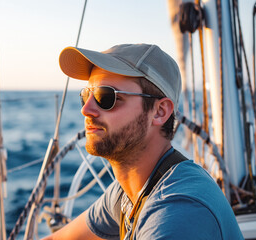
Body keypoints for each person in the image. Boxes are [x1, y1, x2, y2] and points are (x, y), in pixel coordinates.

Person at [43, 44, 244, 239]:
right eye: (86, 95)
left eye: (105, 97)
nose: (86, 109)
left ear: (160, 111)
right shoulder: (128, 192)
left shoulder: (178, 213)